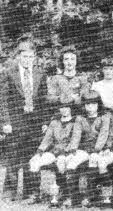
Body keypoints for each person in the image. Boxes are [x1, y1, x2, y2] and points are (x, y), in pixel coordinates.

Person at [0, 35, 49, 202]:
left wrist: (44, 121)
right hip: (15, 121)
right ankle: (9, 191)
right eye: (24, 56)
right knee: (13, 155)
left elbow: (43, 100)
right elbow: (3, 99)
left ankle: (32, 191)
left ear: (34, 57)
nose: (27, 59)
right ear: (18, 56)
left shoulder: (40, 74)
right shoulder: (9, 74)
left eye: (30, 56)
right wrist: (5, 122)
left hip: (34, 121)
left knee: (32, 155)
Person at [28, 101, 79, 208]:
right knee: (34, 161)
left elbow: (75, 140)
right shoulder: (54, 122)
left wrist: (66, 151)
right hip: (54, 151)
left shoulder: (76, 122)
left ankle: (65, 194)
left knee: (61, 162)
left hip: (68, 151)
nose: (64, 110)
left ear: (71, 108)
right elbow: (47, 138)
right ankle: (36, 194)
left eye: (67, 107)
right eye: (62, 107)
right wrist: (40, 151)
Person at [68, 91, 113, 207]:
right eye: (87, 104)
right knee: (71, 163)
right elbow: (76, 135)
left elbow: (103, 135)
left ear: (98, 104)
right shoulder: (80, 118)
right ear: (83, 106)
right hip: (85, 149)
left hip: (101, 149)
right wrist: (73, 149)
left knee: (95, 160)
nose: (90, 107)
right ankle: (74, 197)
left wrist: (97, 150)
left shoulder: (104, 117)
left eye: (93, 104)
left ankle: (94, 195)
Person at [47, 45, 89, 112]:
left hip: (78, 112)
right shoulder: (56, 78)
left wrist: (76, 99)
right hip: (60, 112)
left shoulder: (82, 78)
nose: (69, 62)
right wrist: (66, 98)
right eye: (66, 59)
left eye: (72, 59)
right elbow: (50, 98)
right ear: (62, 61)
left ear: (76, 61)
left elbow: (85, 98)